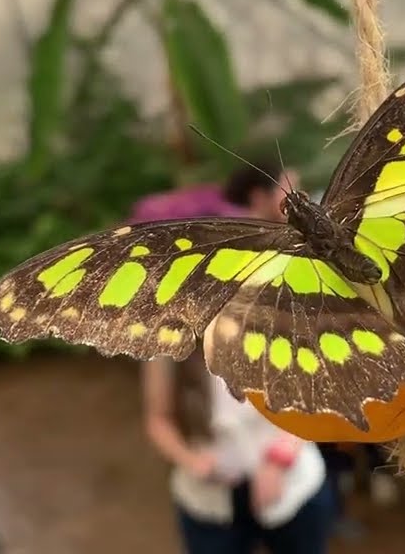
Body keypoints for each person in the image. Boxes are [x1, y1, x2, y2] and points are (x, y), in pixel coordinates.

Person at [141, 161, 336, 554]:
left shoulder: (279, 312)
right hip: (209, 500)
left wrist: (280, 458)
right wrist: (195, 464)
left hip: (294, 487)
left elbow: (319, 391)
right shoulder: (169, 340)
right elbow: (157, 419)